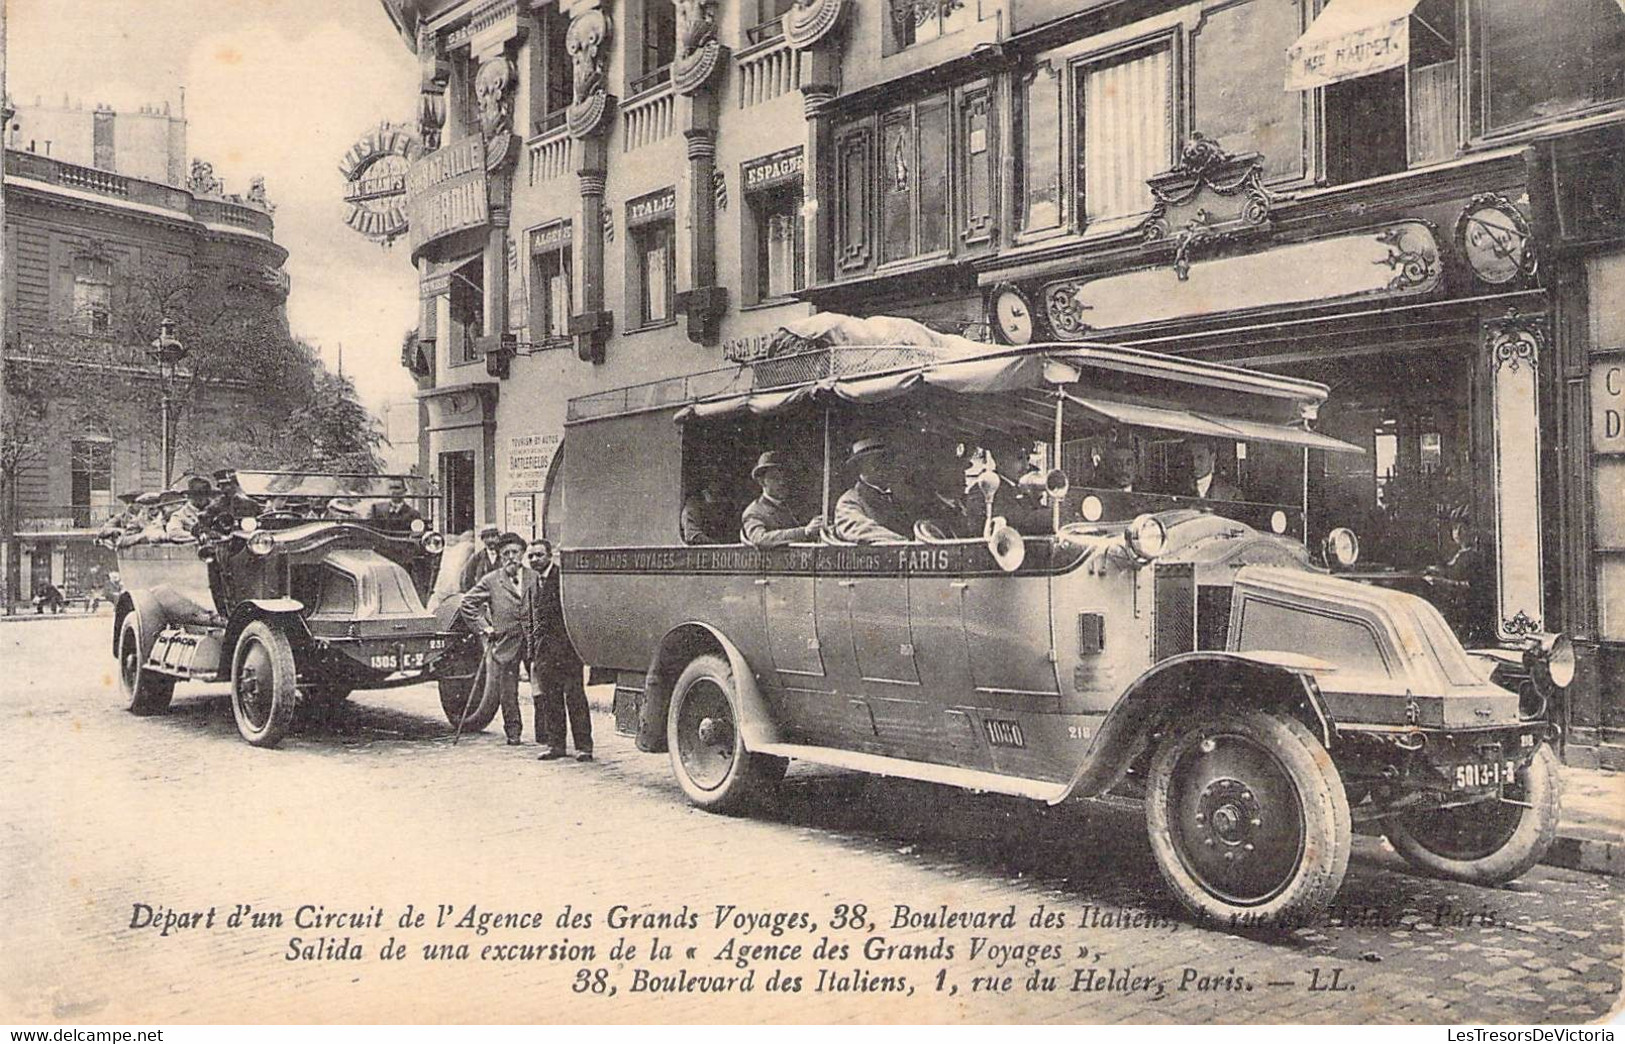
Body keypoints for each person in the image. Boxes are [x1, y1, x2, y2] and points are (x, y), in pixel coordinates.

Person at [458, 532, 534, 746]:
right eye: (506, 553)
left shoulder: (534, 577)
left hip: (532, 642)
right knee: (508, 691)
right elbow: (468, 603)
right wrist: (485, 627)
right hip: (505, 642)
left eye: (515, 552)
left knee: (541, 688)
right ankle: (513, 732)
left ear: (523, 554)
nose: (511, 557)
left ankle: (545, 733)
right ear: (500, 557)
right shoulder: (491, 580)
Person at [526, 539, 593, 762]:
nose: (534, 559)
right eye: (531, 556)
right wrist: (534, 651)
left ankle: (584, 746)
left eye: (539, 555)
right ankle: (556, 745)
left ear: (550, 556)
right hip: (544, 652)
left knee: (575, 697)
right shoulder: (534, 584)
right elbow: (534, 619)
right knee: (550, 699)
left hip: (567, 650)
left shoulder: (561, 579)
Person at [832, 438, 914, 544]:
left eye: (886, 461)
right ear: (860, 467)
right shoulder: (849, 500)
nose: (884, 467)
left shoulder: (898, 497)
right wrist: (901, 542)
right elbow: (858, 528)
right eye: (876, 462)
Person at [968, 435, 1051, 535]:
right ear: (1000, 461)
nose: (1026, 466)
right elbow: (1019, 520)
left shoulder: (1019, 488)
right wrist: (1057, 514)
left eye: (1027, 459)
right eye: (1019, 458)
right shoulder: (984, 487)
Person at [741, 452, 824, 548]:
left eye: (784, 477)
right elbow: (760, 539)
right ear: (762, 482)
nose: (782, 482)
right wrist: (804, 531)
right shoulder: (754, 511)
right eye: (775, 478)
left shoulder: (790, 507)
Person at [201, 469, 263, 534]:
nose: (227, 488)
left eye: (230, 485)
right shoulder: (215, 507)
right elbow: (205, 525)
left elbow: (261, 522)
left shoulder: (251, 504)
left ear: (236, 485)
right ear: (220, 487)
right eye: (223, 485)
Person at [166, 475, 214, 540]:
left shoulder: (214, 510)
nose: (202, 498)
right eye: (198, 495)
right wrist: (196, 536)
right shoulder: (180, 515)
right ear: (190, 496)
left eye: (205, 494)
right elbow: (174, 532)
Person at [459, 524, 504, 591]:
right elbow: (468, 579)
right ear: (483, 539)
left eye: (493, 536)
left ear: (498, 538)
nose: (490, 540)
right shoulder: (476, 558)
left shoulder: (503, 556)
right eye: (487, 537)